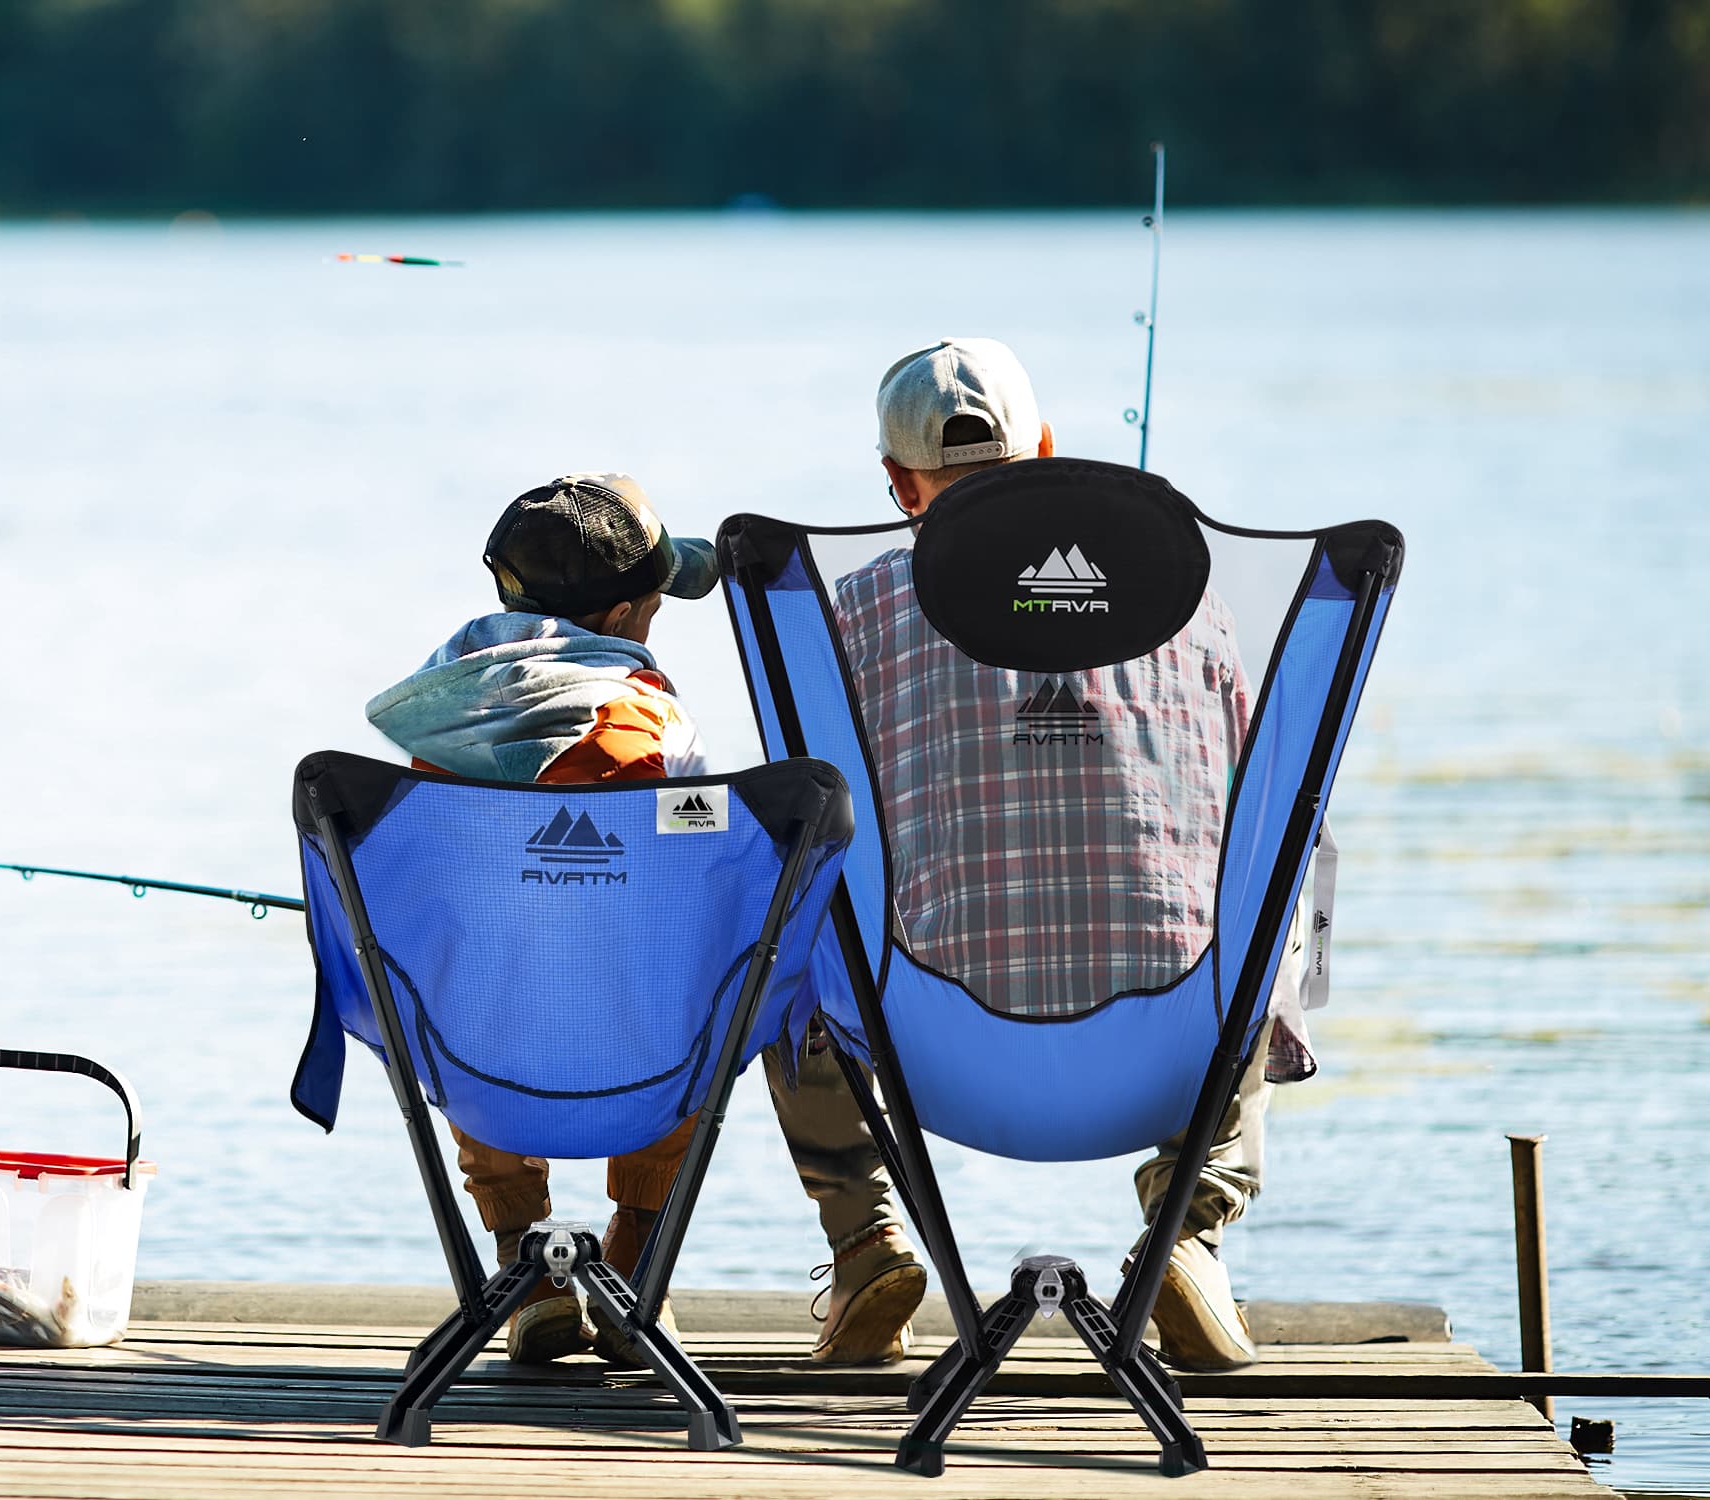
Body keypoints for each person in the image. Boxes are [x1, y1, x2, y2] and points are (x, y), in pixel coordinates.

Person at [364, 473, 927, 1369]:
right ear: (627, 614)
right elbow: (700, 882)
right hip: (647, 1061)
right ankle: (635, 1258)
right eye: (660, 607)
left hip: (480, 1060)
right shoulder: (654, 726)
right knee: (716, 980)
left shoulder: (433, 726)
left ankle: (527, 1268)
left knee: (476, 979)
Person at [843, 338, 1318, 1370]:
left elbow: (815, 828)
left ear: (896, 483)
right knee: (1281, 877)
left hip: (938, 1048)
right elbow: (1264, 809)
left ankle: (867, 1241)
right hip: (1170, 1042)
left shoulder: (859, 613)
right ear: (1049, 450)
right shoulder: (1187, 601)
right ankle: (1186, 1233)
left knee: (793, 914)